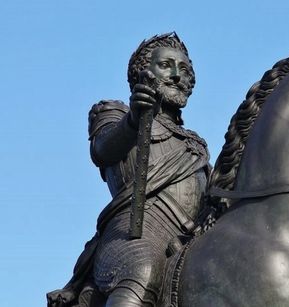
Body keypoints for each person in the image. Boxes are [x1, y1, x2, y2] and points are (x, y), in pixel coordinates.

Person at [47, 32, 210, 307]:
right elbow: (103, 149)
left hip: (188, 238)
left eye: (184, 69)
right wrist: (135, 119)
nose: (176, 75)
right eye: (166, 65)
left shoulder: (196, 145)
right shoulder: (115, 114)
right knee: (142, 269)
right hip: (135, 231)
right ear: (143, 74)